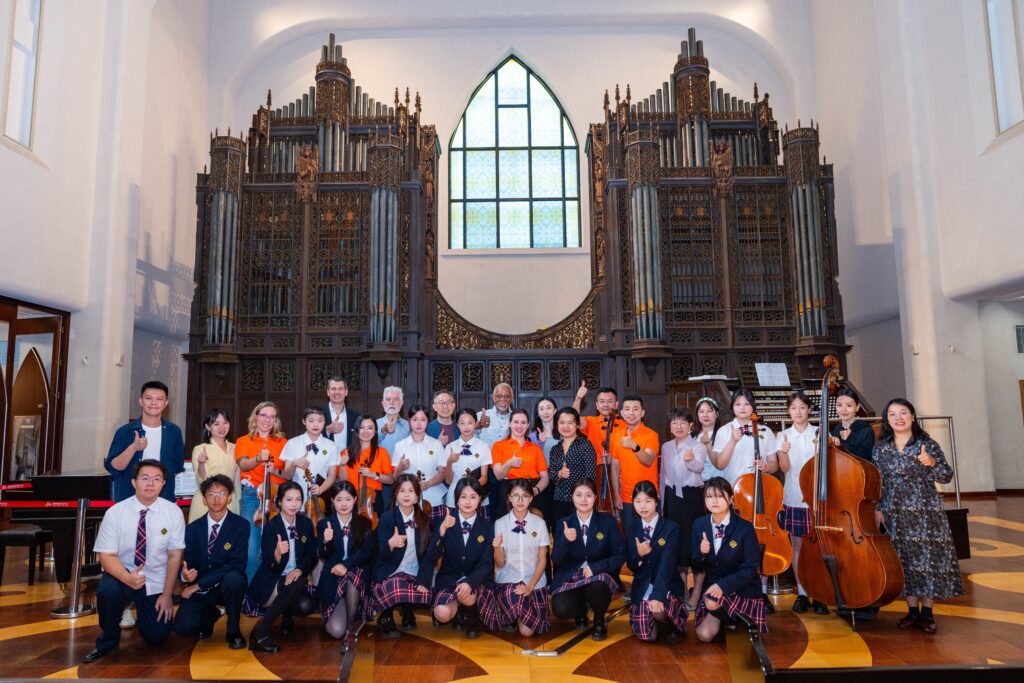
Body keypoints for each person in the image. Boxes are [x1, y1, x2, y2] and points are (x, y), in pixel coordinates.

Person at [874, 398, 963, 634]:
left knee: (927, 560)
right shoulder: (881, 447)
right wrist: (878, 508)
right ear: (887, 420)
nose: (898, 418)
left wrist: (931, 462)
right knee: (904, 560)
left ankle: (927, 613)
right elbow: (878, 481)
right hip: (894, 512)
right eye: (892, 414)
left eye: (903, 412)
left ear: (912, 416)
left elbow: (946, 476)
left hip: (925, 512)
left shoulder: (926, 443)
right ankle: (912, 611)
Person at [84, 460, 186, 663]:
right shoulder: (116, 512)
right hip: (123, 573)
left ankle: (144, 614)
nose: (150, 483)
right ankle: (108, 641)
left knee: (157, 636)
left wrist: (167, 595)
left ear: (163, 484)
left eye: (157, 479)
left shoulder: (173, 512)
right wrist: (126, 578)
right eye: (145, 478)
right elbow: (106, 556)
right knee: (108, 592)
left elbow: (175, 555)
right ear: (134, 482)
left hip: (155, 578)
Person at [712, 389, 779, 613]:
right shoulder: (724, 431)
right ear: (732, 407)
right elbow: (720, 464)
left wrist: (766, 466)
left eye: (747, 404)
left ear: (753, 407)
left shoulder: (765, 431)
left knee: (759, 542)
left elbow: (774, 464)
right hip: (734, 495)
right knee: (736, 545)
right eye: (738, 404)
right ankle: (735, 588)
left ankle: (761, 591)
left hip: (759, 495)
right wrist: (732, 441)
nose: (743, 408)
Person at [174, 474, 249, 649]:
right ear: (204, 499)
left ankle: (233, 629)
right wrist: (185, 576)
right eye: (211, 494)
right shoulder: (192, 529)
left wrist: (199, 585)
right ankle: (211, 614)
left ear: (229, 497)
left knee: (235, 579)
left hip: (225, 586)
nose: (216, 499)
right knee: (182, 628)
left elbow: (237, 564)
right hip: (201, 588)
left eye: (221, 493)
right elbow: (188, 563)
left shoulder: (240, 525)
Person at [691, 477, 767, 642]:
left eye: (720, 496)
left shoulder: (745, 528)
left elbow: (750, 568)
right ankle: (730, 623)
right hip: (714, 587)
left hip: (742, 589)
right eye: (709, 496)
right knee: (703, 635)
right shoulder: (699, 524)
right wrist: (701, 553)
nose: (714, 501)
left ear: (731, 499)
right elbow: (695, 564)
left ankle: (740, 622)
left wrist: (723, 586)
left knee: (711, 601)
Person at [246, 481, 318, 652]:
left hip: (293, 579)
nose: (294, 504)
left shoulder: (305, 524)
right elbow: (269, 562)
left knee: (306, 605)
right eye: (289, 500)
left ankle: (287, 614)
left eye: (298, 499)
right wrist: (277, 554)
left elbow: (312, 555)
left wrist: (300, 569)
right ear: (279, 502)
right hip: (271, 582)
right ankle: (260, 632)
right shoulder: (272, 526)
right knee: (297, 581)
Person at [550, 478, 625, 641]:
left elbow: (620, 555)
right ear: (572, 497)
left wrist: (596, 568)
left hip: (598, 576)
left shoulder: (607, 522)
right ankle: (580, 610)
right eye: (579, 495)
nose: (583, 499)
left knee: (597, 587)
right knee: (560, 607)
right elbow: (556, 560)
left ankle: (599, 620)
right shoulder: (563, 523)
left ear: (595, 497)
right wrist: (564, 540)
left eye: (588, 495)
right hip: (572, 576)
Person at [776, 391, 828, 615]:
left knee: (819, 547)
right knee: (797, 546)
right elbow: (784, 468)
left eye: (802, 407)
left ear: (809, 410)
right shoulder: (783, 436)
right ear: (788, 411)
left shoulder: (820, 432)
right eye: (793, 408)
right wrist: (783, 453)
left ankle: (820, 593)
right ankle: (802, 592)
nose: (798, 412)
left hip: (818, 499)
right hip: (794, 497)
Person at [481, 479, 551, 636]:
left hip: (534, 581)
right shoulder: (500, 523)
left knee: (527, 632)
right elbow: (500, 563)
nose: (520, 500)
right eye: (515, 496)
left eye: (524, 496)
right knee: (515, 600)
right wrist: (497, 547)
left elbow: (543, 560)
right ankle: (512, 614)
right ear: (509, 498)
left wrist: (530, 586)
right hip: (509, 580)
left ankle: (514, 616)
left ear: (531, 498)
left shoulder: (539, 523)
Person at [368, 474, 434, 638]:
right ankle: (386, 615)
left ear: (417, 496)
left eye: (411, 491)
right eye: (402, 490)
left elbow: (429, 555)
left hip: (414, 571)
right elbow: (381, 554)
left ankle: (407, 609)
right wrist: (391, 544)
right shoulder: (387, 517)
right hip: (391, 570)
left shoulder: (425, 520)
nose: (406, 495)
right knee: (396, 585)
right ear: (396, 494)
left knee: (426, 592)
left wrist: (424, 579)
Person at [427, 478, 494, 639]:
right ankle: (458, 610)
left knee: (467, 593)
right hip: (450, 578)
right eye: (463, 497)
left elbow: (487, 563)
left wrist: (470, 582)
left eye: (473, 497)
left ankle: (472, 618)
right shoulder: (446, 521)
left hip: (476, 581)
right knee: (441, 613)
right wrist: (442, 530)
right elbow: (432, 554)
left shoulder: (487, 526)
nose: (468, 502)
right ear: (456, 499)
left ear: (480, 499)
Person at [625, 481, 688, 642]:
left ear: (656, 501)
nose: (643, 506)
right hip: (642, 586)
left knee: (658, 611)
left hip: (667, 585)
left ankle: (671, 622)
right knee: (647, 636)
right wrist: (639, 555)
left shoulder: (670, 528)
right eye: (638, 501)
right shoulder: (632, 528)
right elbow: (632, 566)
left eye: (647, 501)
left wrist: (658, 595)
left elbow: (667, 565)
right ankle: (651, 617)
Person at [104, 381, 185, 503]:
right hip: (129, 499)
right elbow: (113, 468)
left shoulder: (174, 432)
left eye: (159, 399)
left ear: (165, 403)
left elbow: (177, 466)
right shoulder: (125, 431)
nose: (153, 403)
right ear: (141, 401)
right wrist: (133, 448)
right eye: (148, 398)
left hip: (163, 500)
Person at [234, 401, 287, 582]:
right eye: (264, 415)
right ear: (256, 416)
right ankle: (250, 592)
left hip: (276, 498)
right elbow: (243, 464)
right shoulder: (243, 440)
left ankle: (270, 591)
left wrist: (275, 470)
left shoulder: (282, 442)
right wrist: (258, 458)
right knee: (251, 549)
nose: (267, 420)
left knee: (273, 548)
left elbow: (287, 474)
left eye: (272, 417)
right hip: (252, 497)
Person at [660, 407, 707, 608]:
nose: (678, 426)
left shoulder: (698, 446)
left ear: (691, 426)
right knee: (676, 546)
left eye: (683, 422)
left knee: (694, 546)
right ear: (670, 426)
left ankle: (696, 594)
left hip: (691, 499)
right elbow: (663, 476)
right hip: (672, 499)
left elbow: (699, 467)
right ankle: (681, 593)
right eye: (674, 422)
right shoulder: (666, 447)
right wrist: (662, 504)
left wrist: (690, 461)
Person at [317, 480, 374, 640]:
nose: (343, 504)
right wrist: (326, 541)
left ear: (355, 500)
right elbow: (323, 555)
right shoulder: (324, 524)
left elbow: (366, 553)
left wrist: (345, 565)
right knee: (335, 631)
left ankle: (350, 633)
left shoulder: (364, 523)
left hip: (356, 580)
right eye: (339, 499)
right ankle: (349, 615)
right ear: (332, 501)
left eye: (348, 499)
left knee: (352, 574)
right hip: (333, 579)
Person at [609, 394, 660, 530]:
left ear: (642, 413)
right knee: (629, 535)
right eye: (627, 409)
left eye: (635, 409)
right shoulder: (617, 435)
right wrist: (616, 494)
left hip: (648, 496)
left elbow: (648, 460)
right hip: (626, 497)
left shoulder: (651, 435)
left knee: (650, 536)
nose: (631, 413)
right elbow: (615, 467)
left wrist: (634, 446)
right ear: (621, 413)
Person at [392, 404, 447, 522]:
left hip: (433, 498)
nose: (418, 424)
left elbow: (442, 474)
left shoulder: (436, 444)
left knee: (435, 532)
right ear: (409, 421)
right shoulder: (400, 446)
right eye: (415, 419)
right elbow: (395, 478)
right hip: (407, 500)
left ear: (428, 421)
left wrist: (429, 483)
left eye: (423, 420)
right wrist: (400, 468)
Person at [572, 382, 625, 505]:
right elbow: (573, 418)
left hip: (620, 474)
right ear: (597, 405)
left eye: (610, 401)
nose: (605, 405)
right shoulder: (591, 422)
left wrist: (615, 459)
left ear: (616, 404)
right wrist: (578, 398)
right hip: (596, 473)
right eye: (602, 401)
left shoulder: (625, 424)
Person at [491, 409, 549, 518]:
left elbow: (545, 477)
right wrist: (509, 463)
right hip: (508, 490)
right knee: (507, 525)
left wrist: (536, 490)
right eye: (516, 422)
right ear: (509, 423)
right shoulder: (498, 446)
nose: (519, 426)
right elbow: (498, 476)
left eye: (523, 422)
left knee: (535, 526)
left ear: (528, 425)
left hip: (532, 489)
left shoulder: (535, 448)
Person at [280, 407, 340, 506]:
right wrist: (294, 464)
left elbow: (332, 476)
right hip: (295, 500)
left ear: (325, 422)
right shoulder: (292, 443)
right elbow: (287, 476)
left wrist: (320, 489)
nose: (315, 425)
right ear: (304, 421)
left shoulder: (331, 446)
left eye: (320, 421)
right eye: (311, 421)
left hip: (320, 501)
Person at [547, 407, 598, 523]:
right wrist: (559, 474)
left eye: (570, 423)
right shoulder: (555, 449)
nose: (566, 426)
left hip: (580, 500)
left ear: (577, 425)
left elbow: (591, 475)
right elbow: (551, 475)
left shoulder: (586, 445)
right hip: (559, 499)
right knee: (560, 530)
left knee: (579, 531)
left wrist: (583, 496)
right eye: (562, 423)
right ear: (557, 425)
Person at [188, 408, 240, 520]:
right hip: (206, 501)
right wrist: (201, 463)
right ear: (208, 426)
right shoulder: (200, 448)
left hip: (229, 500)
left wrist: (239, 500)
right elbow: (201, 480)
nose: (222, 427)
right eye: (216, 424)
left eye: (225, 423)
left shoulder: (235, 448)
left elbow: (237, 479)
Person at [339, 416, 394, 518]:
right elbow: (343, 481)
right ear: (356, 430)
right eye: (362, 427)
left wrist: (373, 475)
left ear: (375, 432)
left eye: (370, 428)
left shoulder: (382, 452)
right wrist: (342, 466)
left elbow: (390, 480)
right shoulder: (345, 453)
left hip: (373, 500)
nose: (366, 431)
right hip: (350, 498)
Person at [443, 408, 492, 513]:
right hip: (455, 497)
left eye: (470, 422)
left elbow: (484, 477)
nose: (466, 427)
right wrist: (449, 462)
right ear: (457, 425)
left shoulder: (483, 446)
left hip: (477, 496)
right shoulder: (450, 447)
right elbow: (448, 480)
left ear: (476, 423)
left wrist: (469, 490)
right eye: (462, 423)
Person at [377, 386, 411, 509]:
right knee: (385, 514)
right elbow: (368, 445)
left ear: (401, 403)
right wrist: (383, 431)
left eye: (396, 399)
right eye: (388, 399)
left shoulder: (409, 425)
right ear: (383, 403)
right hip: (382, 479)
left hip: (405, 477)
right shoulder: (374, 424)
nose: (392, 403)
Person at [529, 397, 559, 521]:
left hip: (560, 479)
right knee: (543, 516)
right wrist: (539, 444)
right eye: (541, 409)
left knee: (558, 516)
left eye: (548, 408)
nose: (545, 412)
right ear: (537, 412)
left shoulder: (563, 431)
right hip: (541, 480)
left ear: (555, 410)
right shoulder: (532, 435)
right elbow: (531, 458)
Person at [830, 386, 875, 461]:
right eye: (839, 405)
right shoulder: (834, 432)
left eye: (849, 405)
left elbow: (866, 458)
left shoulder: (866, 430)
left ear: (857, 407)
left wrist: (841, 445)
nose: (843, 409)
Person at [323, 376, 360, 456]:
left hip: (349, 461)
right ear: (328, 392)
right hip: (325, 460)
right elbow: (310, 438)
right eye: (333, 389)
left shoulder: (356, 417)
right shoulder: (319, 414)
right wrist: (327, 430)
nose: (337, 392)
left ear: (346, 392)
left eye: (340, 389)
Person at [695, 397, 725, 482]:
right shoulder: (691, 436)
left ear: (716, 414)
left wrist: (708, 445)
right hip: (695, 483)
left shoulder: (724, 434)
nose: (705, 415)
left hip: (717, 483)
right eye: (701, 411)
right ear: (697, 414)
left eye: (709, 411)